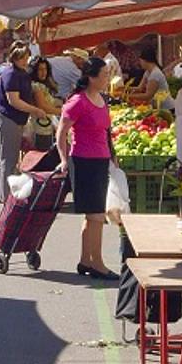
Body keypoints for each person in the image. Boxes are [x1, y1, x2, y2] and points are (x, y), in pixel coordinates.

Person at [55, 57, 119, 280]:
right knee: (96, 215)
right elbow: (61, 132)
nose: (106, 79)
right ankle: (98, 263)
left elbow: (105, 131)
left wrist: (112, 155)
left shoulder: (101, 98)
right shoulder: (77, 101)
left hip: (100, 159)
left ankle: (85, 259)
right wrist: (64, 159)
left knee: (93, 215)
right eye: (103, 75)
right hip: (83, 160)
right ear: (91, 77)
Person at [0, 43, 48, 202]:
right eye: (22, 58)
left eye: (26, 57)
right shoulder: (11, 73)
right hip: (8, 118)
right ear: (14, 58)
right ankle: (6, 196)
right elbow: (14, 101)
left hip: (12, 118)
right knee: (8, 158)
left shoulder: (20, 73)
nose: (25, 60)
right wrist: (35, 110)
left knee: (5, 156)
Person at [28, 56, 63, 150]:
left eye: (45, 69)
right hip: (40, 127)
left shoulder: (42, 86)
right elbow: (43, 106)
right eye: (40, 69)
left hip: (46, 126)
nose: (44, 72)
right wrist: (61, 111)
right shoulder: (36, 86)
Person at [131, 47, 174, 111]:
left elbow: (148, 96)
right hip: (158, 107)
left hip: (166, 108)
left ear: (145, 60)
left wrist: (128, 96)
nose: (140, 63)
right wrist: (124, 89)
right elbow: (139, 88)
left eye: (140, 61)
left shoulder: (155, 74)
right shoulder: (147, 72)